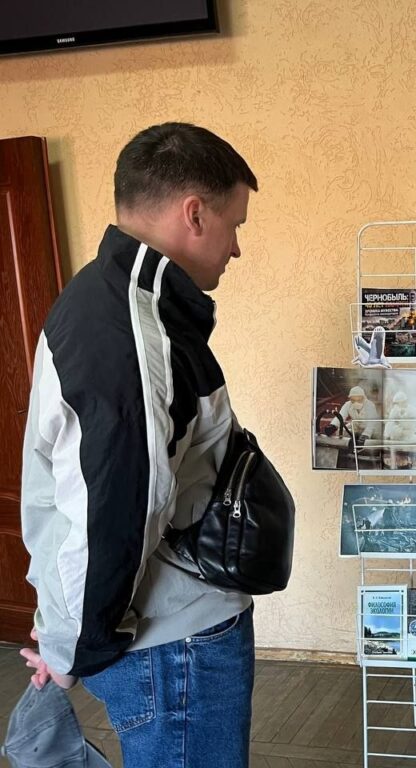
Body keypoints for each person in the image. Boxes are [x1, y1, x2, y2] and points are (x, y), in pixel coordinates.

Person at [19, 123, 260, 768]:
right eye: (235, 224)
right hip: (175, 647)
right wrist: (71, 647)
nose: (237, 248)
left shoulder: (105, 297)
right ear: (194, 213)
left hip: (171, 638)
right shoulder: (131, 335)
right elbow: (110, 519)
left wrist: (67, 633)